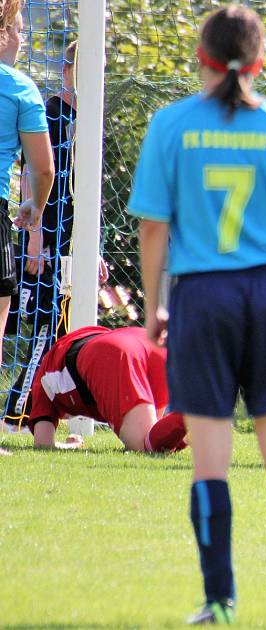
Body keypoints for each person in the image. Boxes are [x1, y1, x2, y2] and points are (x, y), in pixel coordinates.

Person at [129, 5, 266, 625]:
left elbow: (152, 225)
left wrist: (154, 307)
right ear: (259, 60)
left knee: (210, 457)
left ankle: (219, 602)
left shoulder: (171, 125)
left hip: (204, 295)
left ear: (201, 55)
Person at [4, 39, 109, 428]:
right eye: (84, 67)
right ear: (67, 71)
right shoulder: (51, 113)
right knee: (45, 332)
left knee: (66, 331)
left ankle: (53, 416)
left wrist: (91, 249)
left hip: (71, 244)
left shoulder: (91, 122)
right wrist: (34, 239)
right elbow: (35, 174)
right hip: (45, 241)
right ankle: (17, 413)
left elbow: (85, 195)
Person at [0, 0, 55, 454]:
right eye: (18, 29)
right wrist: (34, 209)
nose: (23, 38)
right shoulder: (19, 89)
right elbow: (44, 169)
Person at [27, 325, 187, 453]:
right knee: (156, 441)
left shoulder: (42, 384)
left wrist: (70, 446)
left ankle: (204, 410)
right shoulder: (63, 351)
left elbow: (43, 444)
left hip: (112, 352)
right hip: (148, 342)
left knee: (143, 447)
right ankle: (203, 422)